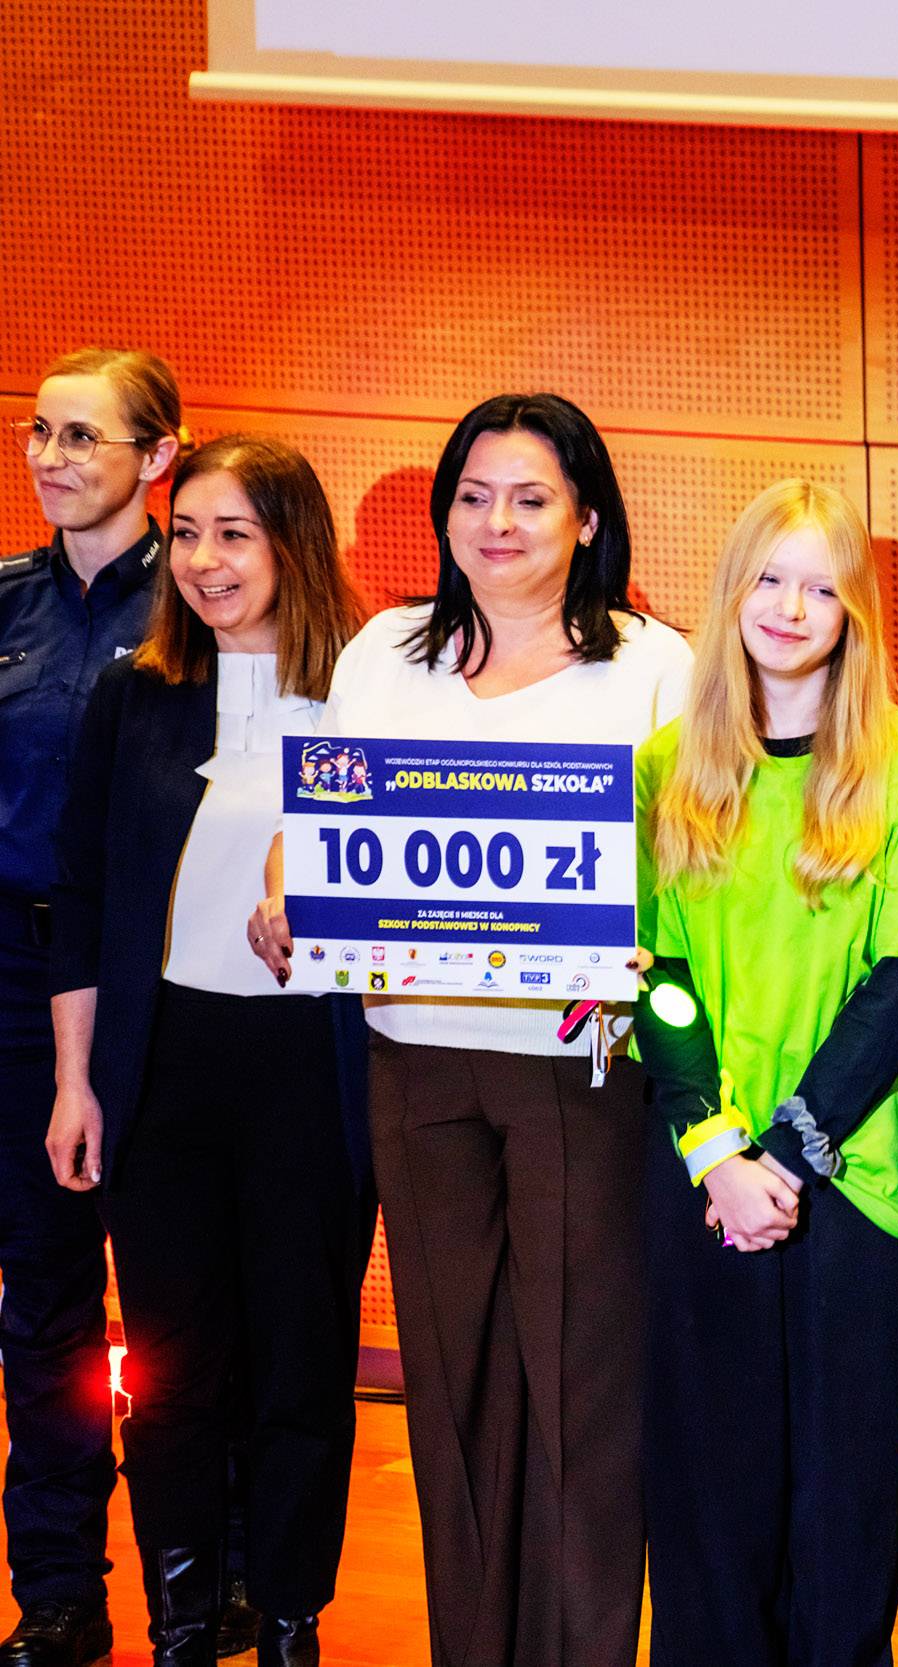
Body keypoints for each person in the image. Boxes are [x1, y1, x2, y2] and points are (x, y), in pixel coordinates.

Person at [245, 392, 690, 1667]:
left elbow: (696, 861)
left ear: (587, 518)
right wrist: (285, 897)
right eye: (474, 496)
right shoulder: (384, 652)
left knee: (583, 1391)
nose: (498, 521)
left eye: (531, 497)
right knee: (451, 1383)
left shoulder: (656, 666)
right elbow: (318, 825)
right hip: (414, 1058)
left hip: (581, 1068)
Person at [46, 436, 372, 1666]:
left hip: (311, 1072)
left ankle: (289, 1621)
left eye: (235, 532)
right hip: (163, 1070)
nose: (202, 559)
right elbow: (83, 898)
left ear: (295, 542)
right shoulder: (132, 693)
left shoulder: (369, 692)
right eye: (186, 532)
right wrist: (76, 1082)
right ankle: (184, 1623)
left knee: (301, 1370)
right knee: (173, 1370)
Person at [633, 479, 898, 1663]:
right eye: (769, 578)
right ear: (732, 591)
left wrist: (785, 1152)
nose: (788, 606)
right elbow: (658, 976)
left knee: (842, 1501)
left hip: (852, 1176)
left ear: (854, 612)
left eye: (821, 587)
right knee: (709, 1496)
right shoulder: (667, 764)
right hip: (705, 1173)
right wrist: (718, 1151)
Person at [0, 347, 181, 1667]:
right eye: (38, 432)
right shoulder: (3, 599)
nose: (52, 458)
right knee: (47, 1297)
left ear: (157, 455)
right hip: (18, 987)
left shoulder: (209, 601)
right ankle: (60, 1590)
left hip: (162, 984)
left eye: (83, 435)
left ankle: (206, 1578)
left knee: (181, 1297)